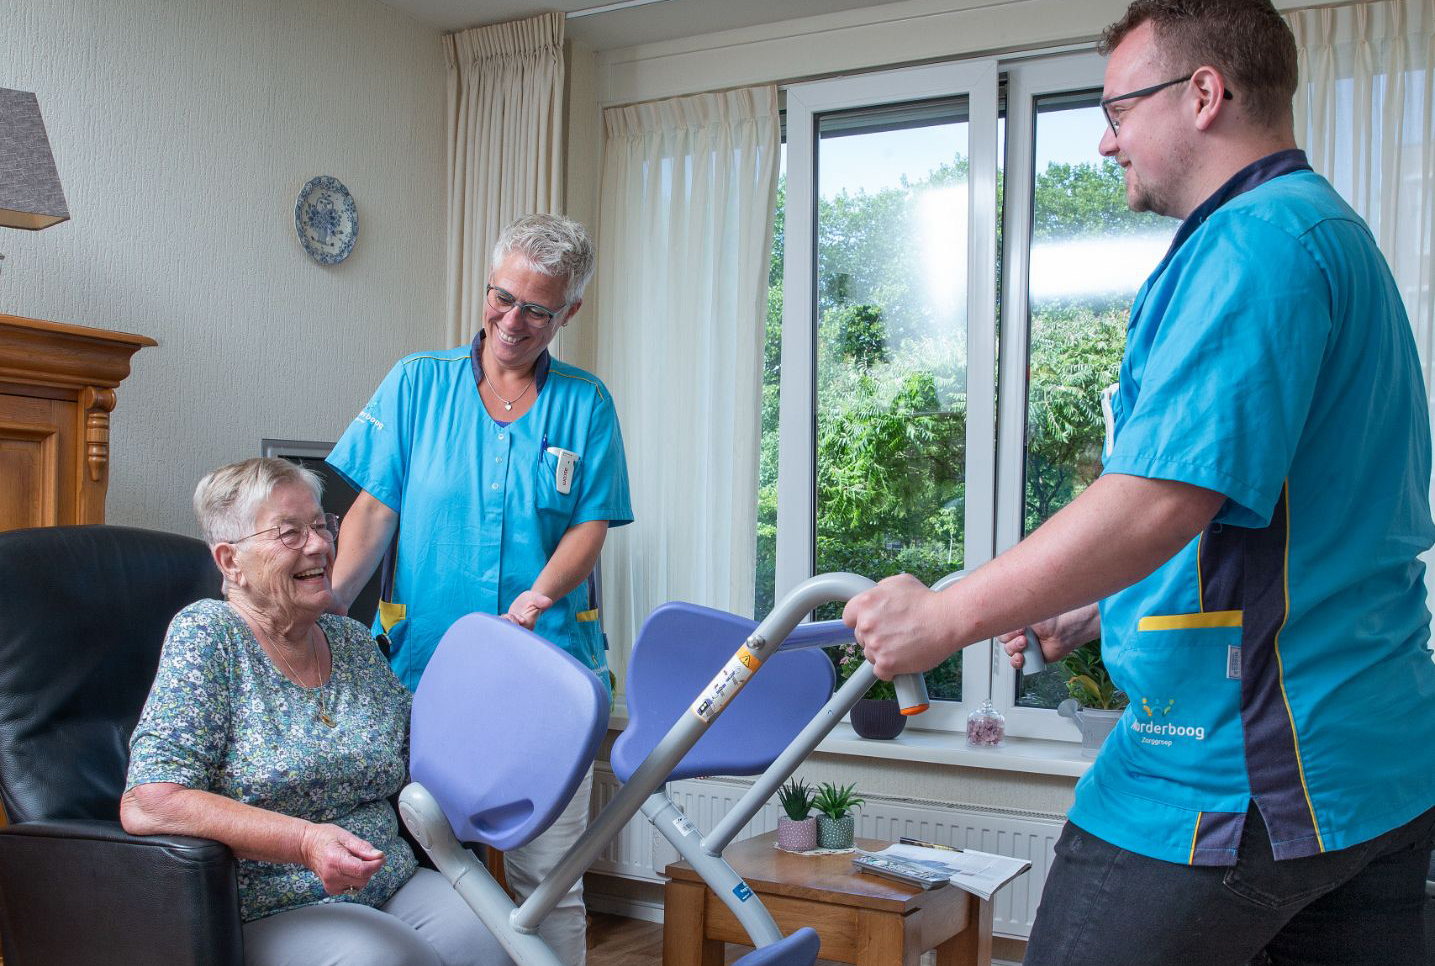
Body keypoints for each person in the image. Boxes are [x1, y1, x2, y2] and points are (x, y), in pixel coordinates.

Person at [842, 2, 1435, 963]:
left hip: (1229, 767)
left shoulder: (1255, 245)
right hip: (1373, 761)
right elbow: (1271, 511)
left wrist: (945, 617)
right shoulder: (1325, 234)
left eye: (1118, 108)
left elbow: (1159, 499)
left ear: (1203, 94)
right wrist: (1089, 608)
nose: (1105, 137)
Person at [327, 213, 633, 966]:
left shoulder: (584, 404)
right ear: (487, 283)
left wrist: (536, 597)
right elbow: (375, 506)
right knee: (419, 870)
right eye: (503, 297)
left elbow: (590, 524)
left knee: (548, 883)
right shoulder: (416, 383)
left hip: (545, 672)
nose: (513, 321)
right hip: (421, 671)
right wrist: (325, 608)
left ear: (569, 313)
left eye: (538, 309)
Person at [121, 458, 511, 966]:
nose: (321, 545)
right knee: (388, 961)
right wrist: (305, 841)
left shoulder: (349, 641)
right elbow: (150, 801)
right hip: (274, 901)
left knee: (501, 942)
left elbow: (424, 753)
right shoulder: (209, 637)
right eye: (289, 533)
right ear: (230, 561)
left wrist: (491, 673)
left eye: (322, 525)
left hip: (390, 877)